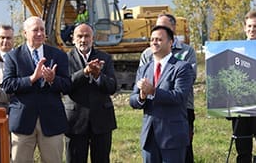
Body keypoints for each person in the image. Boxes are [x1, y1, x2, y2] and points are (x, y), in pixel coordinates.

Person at [2, 16, 71, 162]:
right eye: (35, 30)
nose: (40, 33)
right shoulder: (13, 57)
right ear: (25, 33)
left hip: (51, 121)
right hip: (23, 122)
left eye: (42, 30)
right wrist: (31, 79)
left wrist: (53, 80)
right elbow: (8, 85)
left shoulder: (58, 55)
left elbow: (67, 85)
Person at [130, 25, 195, 162]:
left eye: (159, 39)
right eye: (152, 39)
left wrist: (153, 91)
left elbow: (179, 97)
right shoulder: (144, 69)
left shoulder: (182, 67)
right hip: (149, 137)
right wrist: (141, 96)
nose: (154, 42)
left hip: (172, 136)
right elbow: (133, 99)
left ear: (170, 43)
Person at [63, 23, 117, 163]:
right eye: (79, 36)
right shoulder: (65, 59)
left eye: (87, 36)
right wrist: (85, 72)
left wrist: (99, 75)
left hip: (101, 121)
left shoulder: (105, 58)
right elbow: (65, 86)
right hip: (75, 121)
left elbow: (112, 87)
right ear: (73, 39)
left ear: (93, 38)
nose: (83, 40)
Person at [231, 10, 256, 163]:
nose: (252, 29)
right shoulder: (235, 50)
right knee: (243, 151)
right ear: (244, 28)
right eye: (249, 26)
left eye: (255, 26)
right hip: (240, 108)